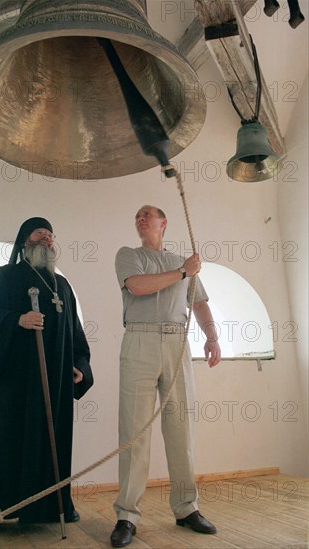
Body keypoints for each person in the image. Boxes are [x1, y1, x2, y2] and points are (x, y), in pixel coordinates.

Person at [110, 205, 221, 547]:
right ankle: (127, 516)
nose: (140, 218)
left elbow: (199, 302)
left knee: (182, 428)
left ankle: (187, 508)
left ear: (164, 223)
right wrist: (183, 272)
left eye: (147, 214)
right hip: (139, 340)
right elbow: (139, 287)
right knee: (134, 431)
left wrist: (212, 336)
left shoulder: (184, 265)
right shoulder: (128, 255)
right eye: (137, 216)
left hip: (177, 342)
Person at [0, 217, 93, 535]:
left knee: (52, 440)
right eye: (40, 233)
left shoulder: (62, 286)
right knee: (6, 440)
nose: (47, 238)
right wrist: (18, 320)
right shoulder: (5, 277)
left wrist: (79, 364)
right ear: (24, 241)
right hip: (15, 386)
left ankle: (55, 505)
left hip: (52, 384)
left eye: (51, 235)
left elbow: (74, 332)